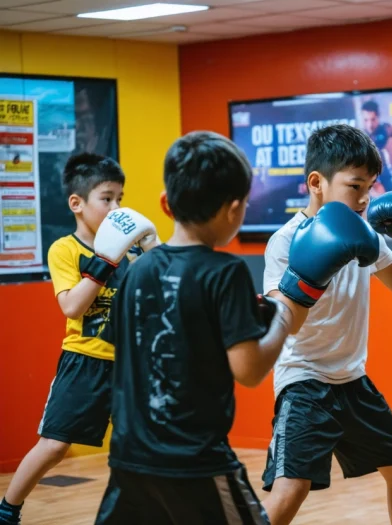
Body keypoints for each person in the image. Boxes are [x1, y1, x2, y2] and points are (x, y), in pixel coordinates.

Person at [92, 131, 293, 525]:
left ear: (166, 205)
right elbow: (249, 370)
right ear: (234, 209)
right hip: (195, 462)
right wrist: (284, 320)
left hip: (130, 459)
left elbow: (123, 348)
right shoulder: (227, 272)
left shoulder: (138, 270)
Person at [260, 123, 392, 525]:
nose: (366, 198)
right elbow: (288, 325)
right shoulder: (285, 242)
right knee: (291, 490)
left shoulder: (367, 236)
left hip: (352, 380)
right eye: (355, 186)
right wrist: (311, 272)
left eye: (370, 187)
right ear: (317, 182)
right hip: (303, 381)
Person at [0, 154, 159, 525]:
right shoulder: (65, 249)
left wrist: (152, 254)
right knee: (55, 445)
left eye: (120, 197)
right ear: (77, 203)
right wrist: (105, 260)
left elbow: (158, 297)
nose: (117, 207)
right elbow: (72, 307)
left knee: (141, 448)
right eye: (107, 198)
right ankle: (7, 509)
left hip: (129, 366)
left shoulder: (131, 250)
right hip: (84, 362)